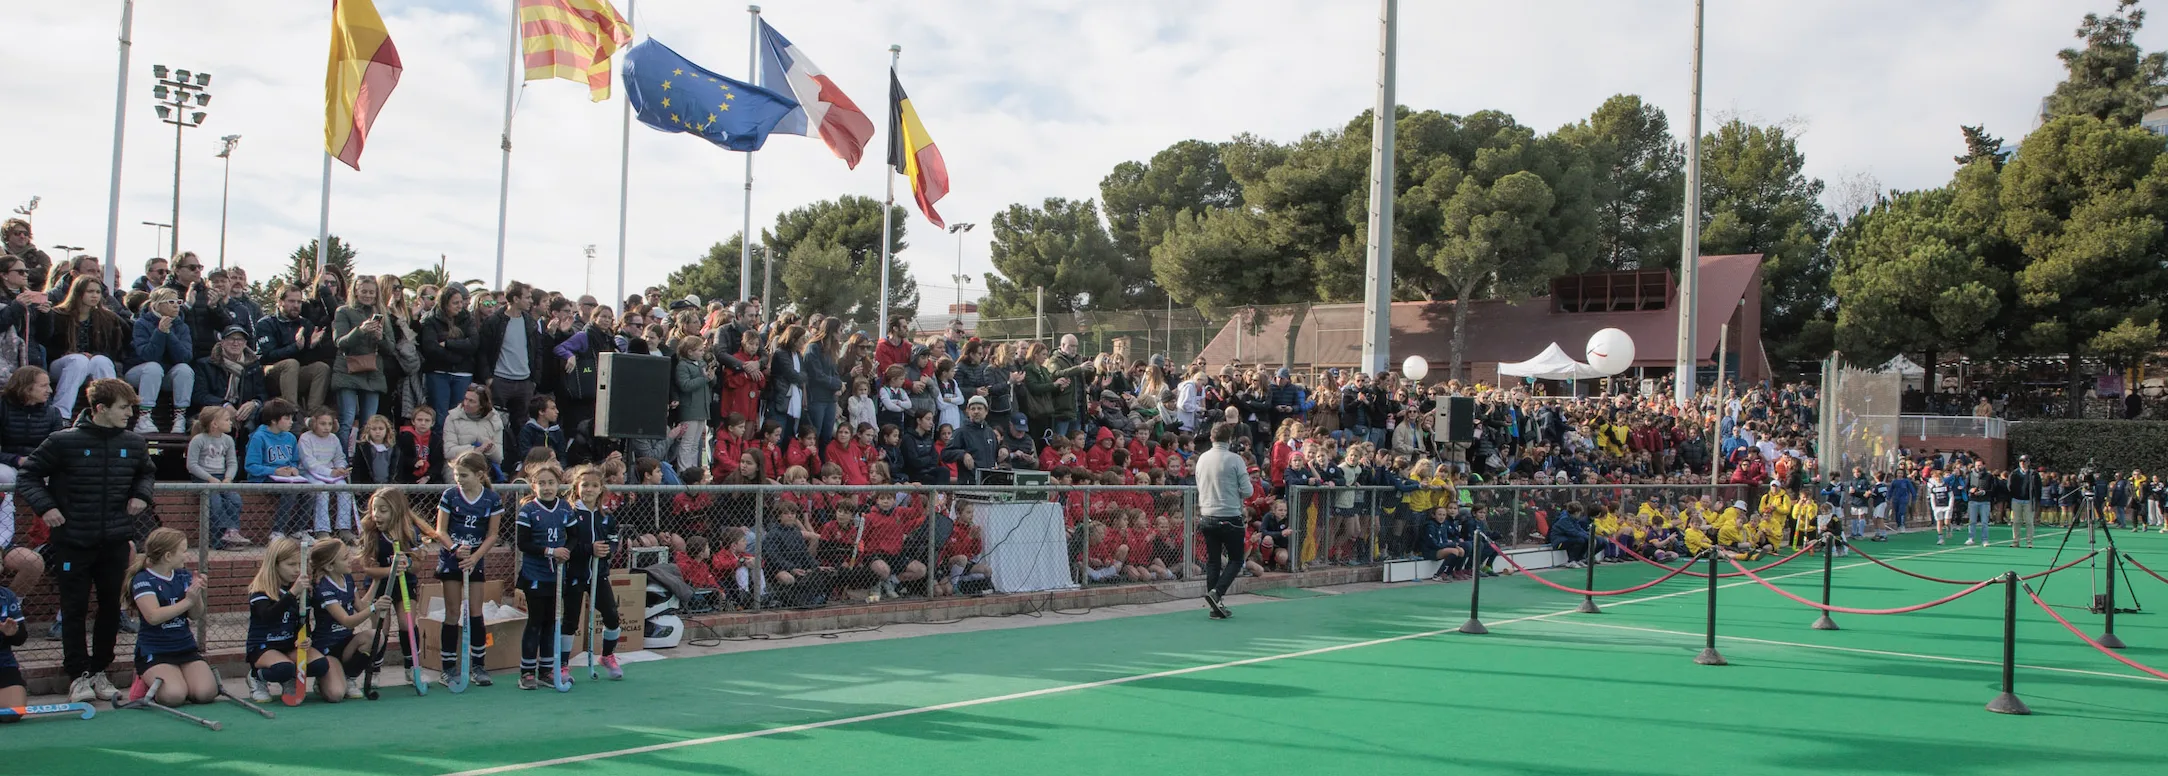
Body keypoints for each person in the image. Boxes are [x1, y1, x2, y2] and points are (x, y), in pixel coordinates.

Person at [16, 378, 157, 704]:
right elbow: (29, 475)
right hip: (73, 542)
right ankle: (77, 674)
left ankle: (99, 671)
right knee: (74, 608)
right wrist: (46, 506)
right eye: (124, 408)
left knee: (110, 608)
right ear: (100, 408)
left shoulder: (134, 443)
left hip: (116, 541)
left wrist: (141, 494)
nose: (130, 414)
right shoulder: (62, 441)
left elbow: (147, 472)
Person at [125, 527, 217, 706]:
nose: (186, 555)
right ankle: (144, 678)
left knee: (205, 693)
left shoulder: (183, 575)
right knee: (174, 696)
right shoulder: (143, 579)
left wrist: (195, 593)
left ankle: (179, 676)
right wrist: (187, 601)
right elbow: (153, 616)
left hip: (184, 648)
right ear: (168, 556)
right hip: (155, 650)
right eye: (183, 551)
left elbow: (196, 615)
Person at [435, 451, 503, 688]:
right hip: (452, 559)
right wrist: (455, 548)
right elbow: (440, 530)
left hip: (475, 559)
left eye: (463, 475)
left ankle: (478, 666)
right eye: (456, 475)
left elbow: (492, 534)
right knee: (453, 612)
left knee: (476, 611)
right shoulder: (450, 495)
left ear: (479, 474)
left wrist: (474, 557)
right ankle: (448, 668)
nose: (459, 479)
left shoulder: (491, 499)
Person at [242, 536, 325, 703]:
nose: (296, 570)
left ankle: (289, 679)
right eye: (290, 565)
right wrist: (292, 594)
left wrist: (306, 637)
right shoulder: (260, 590)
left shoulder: (301, 589)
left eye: (299, 564)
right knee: (284, 669)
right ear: (275, 564)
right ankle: (256, 677)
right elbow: (268, 616)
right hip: (264, 646)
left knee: (320, 665)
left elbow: (304, 620)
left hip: (289, 645)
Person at [514, 461, 572, 691]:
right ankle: (527, 672)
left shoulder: (565, 508)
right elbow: (523, 543)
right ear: (533, 485)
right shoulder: (529, 510)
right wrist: (550, 551)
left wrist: (565, 552)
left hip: (557, 575)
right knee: (536, 622)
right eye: (542, 483)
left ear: (558, 484)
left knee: (551, 623)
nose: (547, 487)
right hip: (534, 574)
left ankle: (547, 670)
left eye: (551, 483)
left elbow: (574, 536)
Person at [307, 538, 385, 701]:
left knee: (375, 636)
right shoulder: (323, 587)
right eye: (344, 558)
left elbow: (361, 606)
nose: (350, 560)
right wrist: (373, 608)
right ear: (329, 566)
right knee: (335, 695)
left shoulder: (346, 578)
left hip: (346, 643)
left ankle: (349, 677)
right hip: (327, 649)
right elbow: (347, 621)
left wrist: (376, 581)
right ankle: (323, 679)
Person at [567, 465, 625, 679]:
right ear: (577, 487)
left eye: (594, 486)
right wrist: (588, 549)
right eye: (584, 485)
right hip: (574, 574)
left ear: (601, 489)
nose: (589, 489)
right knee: (570, 620)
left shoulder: (607, 517)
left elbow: (612, 542)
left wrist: (606, 551)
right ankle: (563, 664)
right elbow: (567, 545)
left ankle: (607, 655)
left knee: (611, 615)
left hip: (598, 574)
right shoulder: (570, 514)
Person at [44, 277, 130, 420]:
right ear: (78, 293)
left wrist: (95, 354)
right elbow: (46, 344)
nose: (95, 295)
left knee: (101, 361)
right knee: (78, 361)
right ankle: (61, 415)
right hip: (62, 364)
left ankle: (111, 412)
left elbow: (115, 347)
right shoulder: (58, 315)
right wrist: (65, 353)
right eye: (90, 291)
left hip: (92, 362)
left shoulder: (107, 317)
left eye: (97, 292)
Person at [330, 274, 393, 444]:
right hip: (347, 371)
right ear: (355, 291)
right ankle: (341, 462)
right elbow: (340, 342)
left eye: (372, 292)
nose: (368, 295)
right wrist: (361, 330)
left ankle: (362, 464)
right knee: (347, 420)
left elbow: (391, 348)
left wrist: (381, 337)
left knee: (369, 424)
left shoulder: (381, 313)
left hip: (372, 373)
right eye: (364, 291)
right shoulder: (343, 311)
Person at [124, 287, 195, 433]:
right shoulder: (141, 324)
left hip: (167, 374)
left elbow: (184, 357)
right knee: (153, 367)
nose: (176, 305)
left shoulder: (182, 326)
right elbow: (148, 355)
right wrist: (159, 333)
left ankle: (179, 418)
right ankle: (144, 417)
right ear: (156, 305)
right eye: (170, 301)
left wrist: (168, 334)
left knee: (184, 370)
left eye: (178, 302)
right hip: (139, 372)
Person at [256, 283, 333, 416]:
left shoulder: (305, 324)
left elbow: (307, 358)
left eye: (299, 301)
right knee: (291, 363)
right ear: (280, 302)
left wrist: (311, 346)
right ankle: (291, 412)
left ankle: (314, 414)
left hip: (295, 373)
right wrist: (295, 347)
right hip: (270, 372)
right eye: (291, 301)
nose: (296, 305)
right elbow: (269, 355)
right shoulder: (266, 323)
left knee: (321, 368)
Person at [1196, 422, 1247, 619]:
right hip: (1230, 515)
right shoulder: (1235, 459)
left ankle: (1215, 606)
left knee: (1213, 561)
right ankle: (1217, 593)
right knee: (1236, 559)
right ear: (1230, 439)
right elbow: (1248, 490)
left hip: (1207, 514)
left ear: (1211, 438)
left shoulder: (1202, 458)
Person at [418, 285, 479, 430]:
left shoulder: (467, 319)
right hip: (439, 373)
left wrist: (448, 344)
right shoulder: (431, 320)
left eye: (461, 302)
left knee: (458, 415)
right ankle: (439, 449)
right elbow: (431, 347)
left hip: (462, 373)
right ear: (445, 303)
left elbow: (473, 343)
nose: (460, 306)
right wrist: (456, 356)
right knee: (440, 416)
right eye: (455, 303)